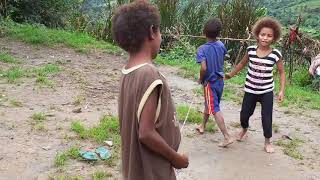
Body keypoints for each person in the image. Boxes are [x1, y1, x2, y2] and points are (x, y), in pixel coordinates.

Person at [113, 1, 188, 180]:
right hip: (152, 171)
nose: (161, 36)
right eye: (160, 31)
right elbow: (146, 133)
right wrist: (176, 158)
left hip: (136, 169)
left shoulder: (128, 71)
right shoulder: (149, 74)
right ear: (152, 31)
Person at [225, 17, 286, 153]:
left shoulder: (276, 54)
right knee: (244, 114)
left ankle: (267, 141)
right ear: (257, 35)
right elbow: (241, 64)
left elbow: (282, 73)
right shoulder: (251, 50)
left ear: (274, 38)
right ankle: (244, 129)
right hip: (250, 89)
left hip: (266, 91)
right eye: (263, 34)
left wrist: (281, 91)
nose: (265, 38)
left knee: (266, 117)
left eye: (269, 35)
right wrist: (230, 74)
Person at [195, 18, 233, 147]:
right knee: (210, 103)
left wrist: (201, 78)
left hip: (209, 83)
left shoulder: (202, 49)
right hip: (220, 81)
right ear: (219, 33)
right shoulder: (221, 45)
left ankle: (227, 137)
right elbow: (222, 57)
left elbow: (204, 68)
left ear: (204, 33)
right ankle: (202, 125)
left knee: (215, 108)